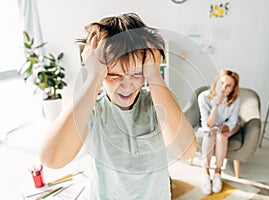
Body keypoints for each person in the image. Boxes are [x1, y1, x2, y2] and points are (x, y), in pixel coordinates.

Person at [39, 12, 196, 200]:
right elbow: (51, 159)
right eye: (114, 75)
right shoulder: (93, 109)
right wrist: (93, 77)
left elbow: (186, 152)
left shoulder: (157, 102)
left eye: (137, 74)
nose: (127, 85)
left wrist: (154, 76)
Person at [198, 69, 240, 194]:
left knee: (221, 136)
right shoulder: (203, 97)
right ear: (216, 83)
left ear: (233, 89)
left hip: (227, 128)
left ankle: (217, 172)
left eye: (228, 86)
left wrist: (219, 129)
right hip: (211, 128)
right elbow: (207, 124)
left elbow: (232, 122)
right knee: (210, 134)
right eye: (221, 83)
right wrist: (215, 105)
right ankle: (205, 172)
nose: (223, 88)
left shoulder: (235, 100)